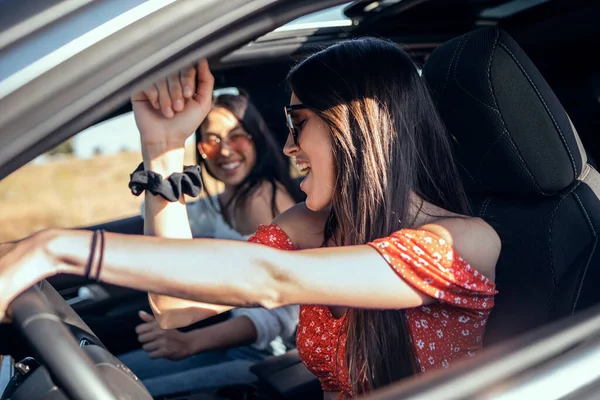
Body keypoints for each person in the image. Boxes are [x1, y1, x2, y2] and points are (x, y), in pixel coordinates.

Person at [0, 37, 500, 400]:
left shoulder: (461, 244)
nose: (287, 147)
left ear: (358, 128)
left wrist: (52, 247)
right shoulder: (314, 226)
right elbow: (175, 304)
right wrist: (164, 147)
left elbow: (270, 279)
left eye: (299, 124)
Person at [118, 90, 303, 397]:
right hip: (230, 342)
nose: (225, 151)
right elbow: (159, 221)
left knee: (130, 392)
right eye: (212, 141)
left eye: (237, 137)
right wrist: (160, 167)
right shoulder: (224, 200)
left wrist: (189, 342)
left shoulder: (262, 198)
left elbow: (282, 313)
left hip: (270, 358)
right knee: (117, 373)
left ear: (257, 138)